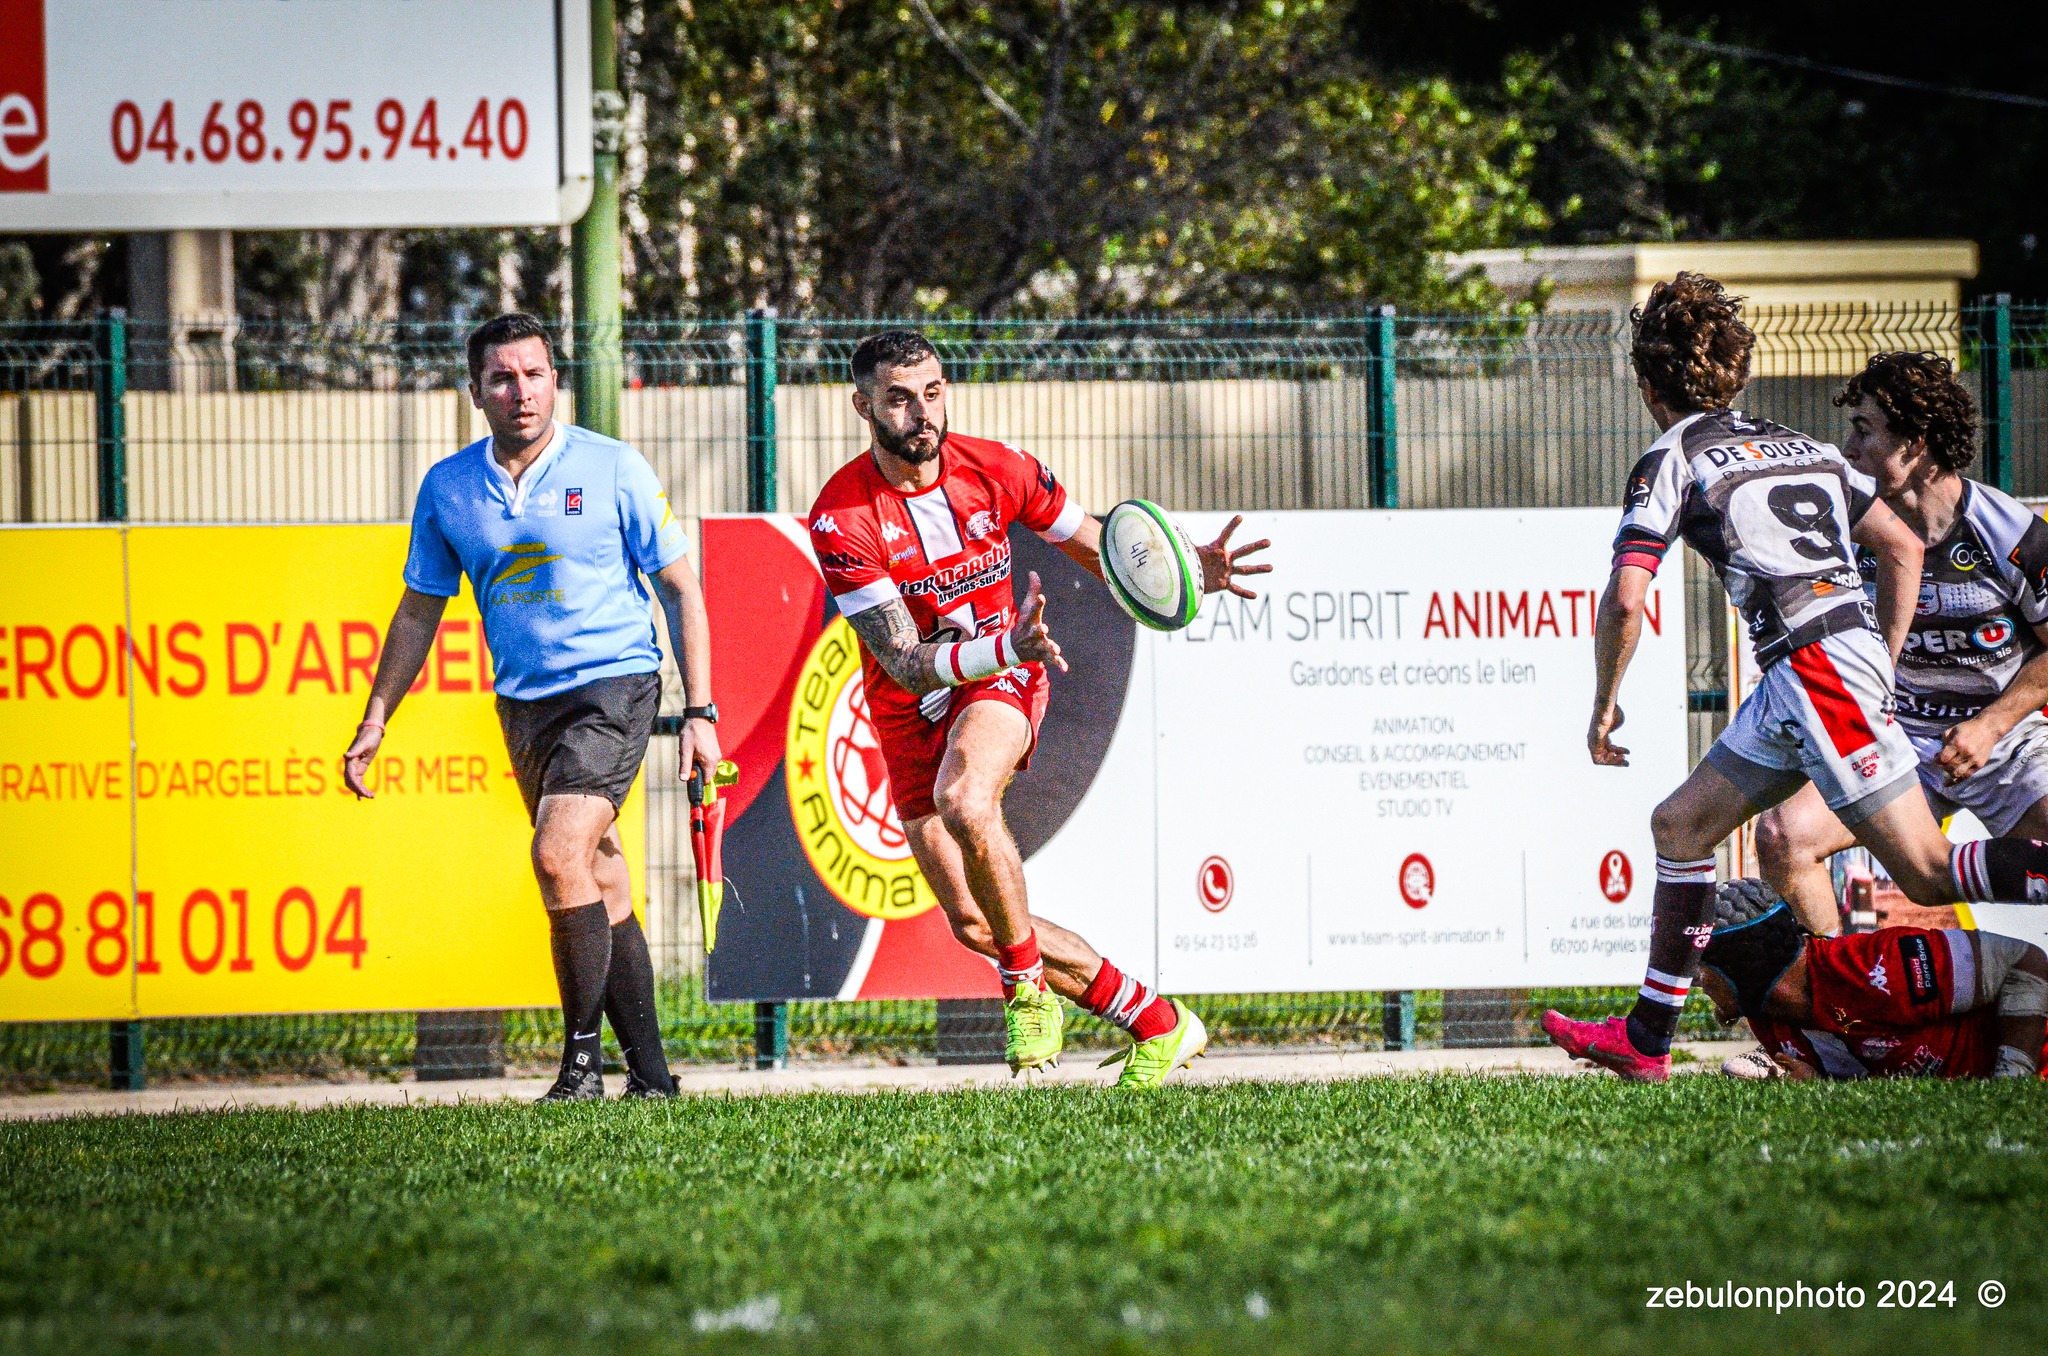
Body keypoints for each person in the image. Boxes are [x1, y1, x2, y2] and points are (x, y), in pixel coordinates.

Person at [1543, 272, 2048, 1083]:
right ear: (1737, 377)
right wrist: (1878, 660)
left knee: (1922, 868)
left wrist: (1603, 704)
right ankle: (1646, 1039)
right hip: (1799, 679)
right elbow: (1902, 546)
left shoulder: (1672, 457)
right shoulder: (1804, 447)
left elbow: (1627, 598)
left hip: (1815, 671)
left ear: (1646, 386)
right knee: (1680, 827)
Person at [807, 330, 1270, 1087]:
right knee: (974, 921)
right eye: (898, 398)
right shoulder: (843, 516)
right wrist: (1002, 647)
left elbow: (1096, 544)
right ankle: (1158, 1022)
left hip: (1005, 677)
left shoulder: (999, 467)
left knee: (965, 796)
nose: (921, 413)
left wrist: (1186, 572)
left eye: (932, 392)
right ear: (863, 406)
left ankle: (1026, 988)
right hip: (914, 701)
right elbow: (902, 660)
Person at [342, 313, 720, 1102]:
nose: (523, 392)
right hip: (523, 703)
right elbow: (419, 611)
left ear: (557, 379)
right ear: (475, 389)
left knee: (556, 855)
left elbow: (682, 590)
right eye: (504, 377)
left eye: (537, 374)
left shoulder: (612, 467)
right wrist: (377, 718)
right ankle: (651, 1077)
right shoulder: (449, 488)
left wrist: (701, 712)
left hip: (614, 685)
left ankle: (579, 1065)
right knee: (599, 875)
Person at [1757, 352, 2048, 935]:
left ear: (1915, 445)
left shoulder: (2009, 531)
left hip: (2006, 744)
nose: (1847, 448)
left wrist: (1990, 725)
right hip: (1898, 743)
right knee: (1782, 838)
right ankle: (1846, 1008)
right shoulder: (1850, 534)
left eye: (1864, 430)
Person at [1696, 880, 2046, 1081]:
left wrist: (2012, 1080)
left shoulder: (1879, 965)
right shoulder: (1767, 1017)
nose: (1697, 980)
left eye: (1702, 965)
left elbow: (2026, 960)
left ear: (1742, 966)